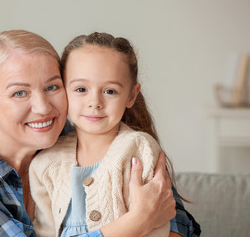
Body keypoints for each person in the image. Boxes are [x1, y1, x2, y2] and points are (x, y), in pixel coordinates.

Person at [0, 30, 192, 237]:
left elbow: (173, 213)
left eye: (52, 87)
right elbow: (148, 213)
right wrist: (136, 223)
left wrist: (156, 221)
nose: (42, 108)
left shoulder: (72, 140)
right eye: (20, 92)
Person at [29, 32, 200, 237]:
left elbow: (158, 224)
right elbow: (44, 231)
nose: (95, 102)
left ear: (131, 95)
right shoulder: (44, 163)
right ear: (63, 90)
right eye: (81, 89)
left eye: (110, 91)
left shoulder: (140, 149)